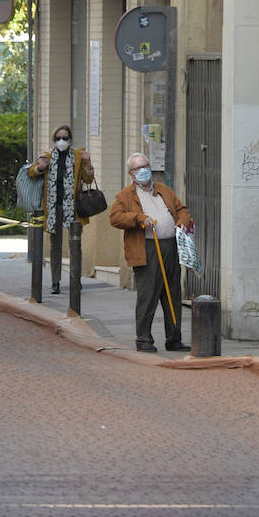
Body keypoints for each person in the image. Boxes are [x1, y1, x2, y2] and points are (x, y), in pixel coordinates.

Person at [109, 153, 192, 354]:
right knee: (148, 295)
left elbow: (183, 210)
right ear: (131, 173)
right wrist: (138, 218)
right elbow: (115, 218)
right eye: (138, 168)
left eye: (145, 165)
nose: (143, 170)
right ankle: (143, 338)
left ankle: (174, 338)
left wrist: (181, 222)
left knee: (172, 294)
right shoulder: (125, 196)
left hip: (170, 245)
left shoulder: (164, 190)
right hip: (146, 249)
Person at [27, 125, 95, 294]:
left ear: (70, 140)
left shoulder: (78, 156)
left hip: (72, 207)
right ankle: (55, 281)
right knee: (55, 246)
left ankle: (75, 280)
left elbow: (88, 179)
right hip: (53, 207)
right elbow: (31, 173)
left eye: (65, 138)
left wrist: (88, 162)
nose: (62, 141)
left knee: (75, 245)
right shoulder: (48, 156)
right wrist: (41, 167)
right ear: (54, 140)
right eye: (58, 138)